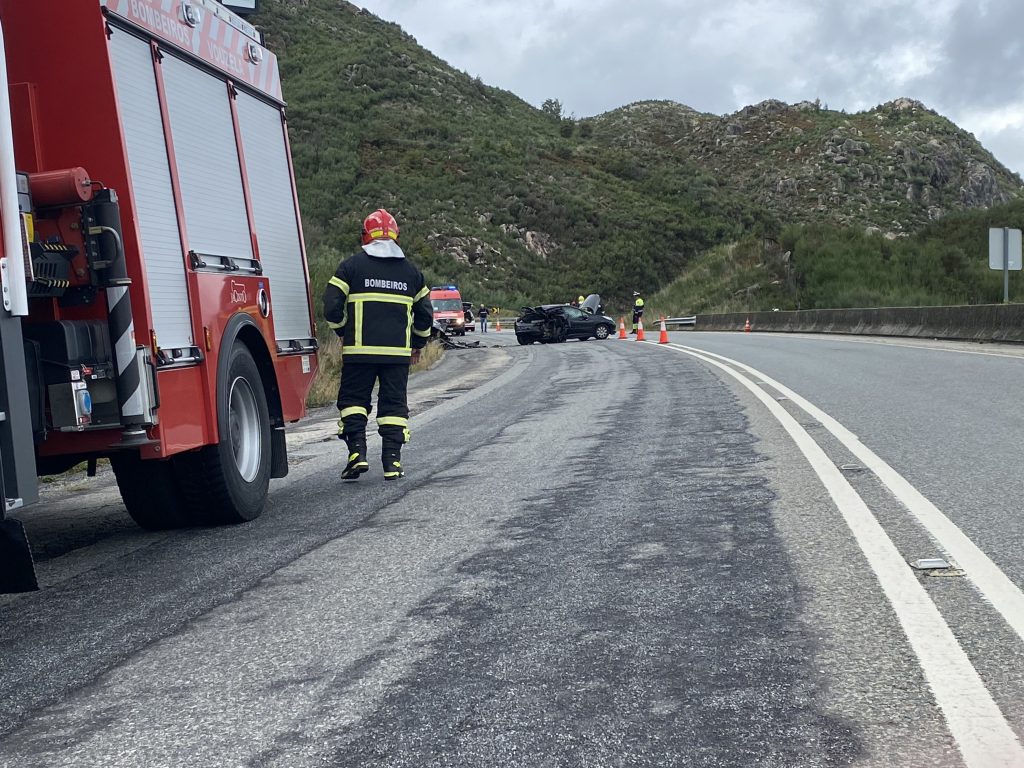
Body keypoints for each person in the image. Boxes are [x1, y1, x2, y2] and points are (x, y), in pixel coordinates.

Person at [323, 209, 433, 481]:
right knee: (394, 406)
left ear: (365, 236)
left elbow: (331, 306)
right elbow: (425, 315)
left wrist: (341, 331)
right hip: (397, 355)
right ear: (396, 237)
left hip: (359, 352)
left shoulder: (350, 267)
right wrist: (417, 344)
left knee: (353, 402)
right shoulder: (412, 273)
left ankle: (357, 455)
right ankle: (391, 463)